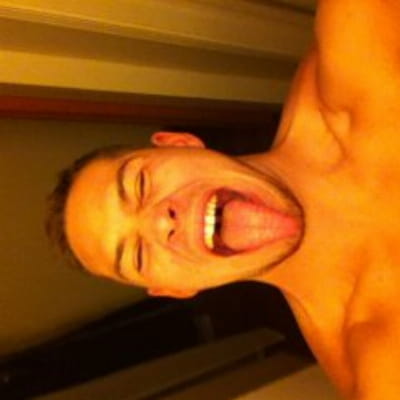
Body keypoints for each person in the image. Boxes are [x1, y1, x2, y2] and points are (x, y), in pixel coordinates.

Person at [46, 1, 400, 399]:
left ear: (179, 143)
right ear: (176, 289)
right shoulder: (378, 370)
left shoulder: (357, 40)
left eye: (140, 183)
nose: (162, 222)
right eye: (139, 256)